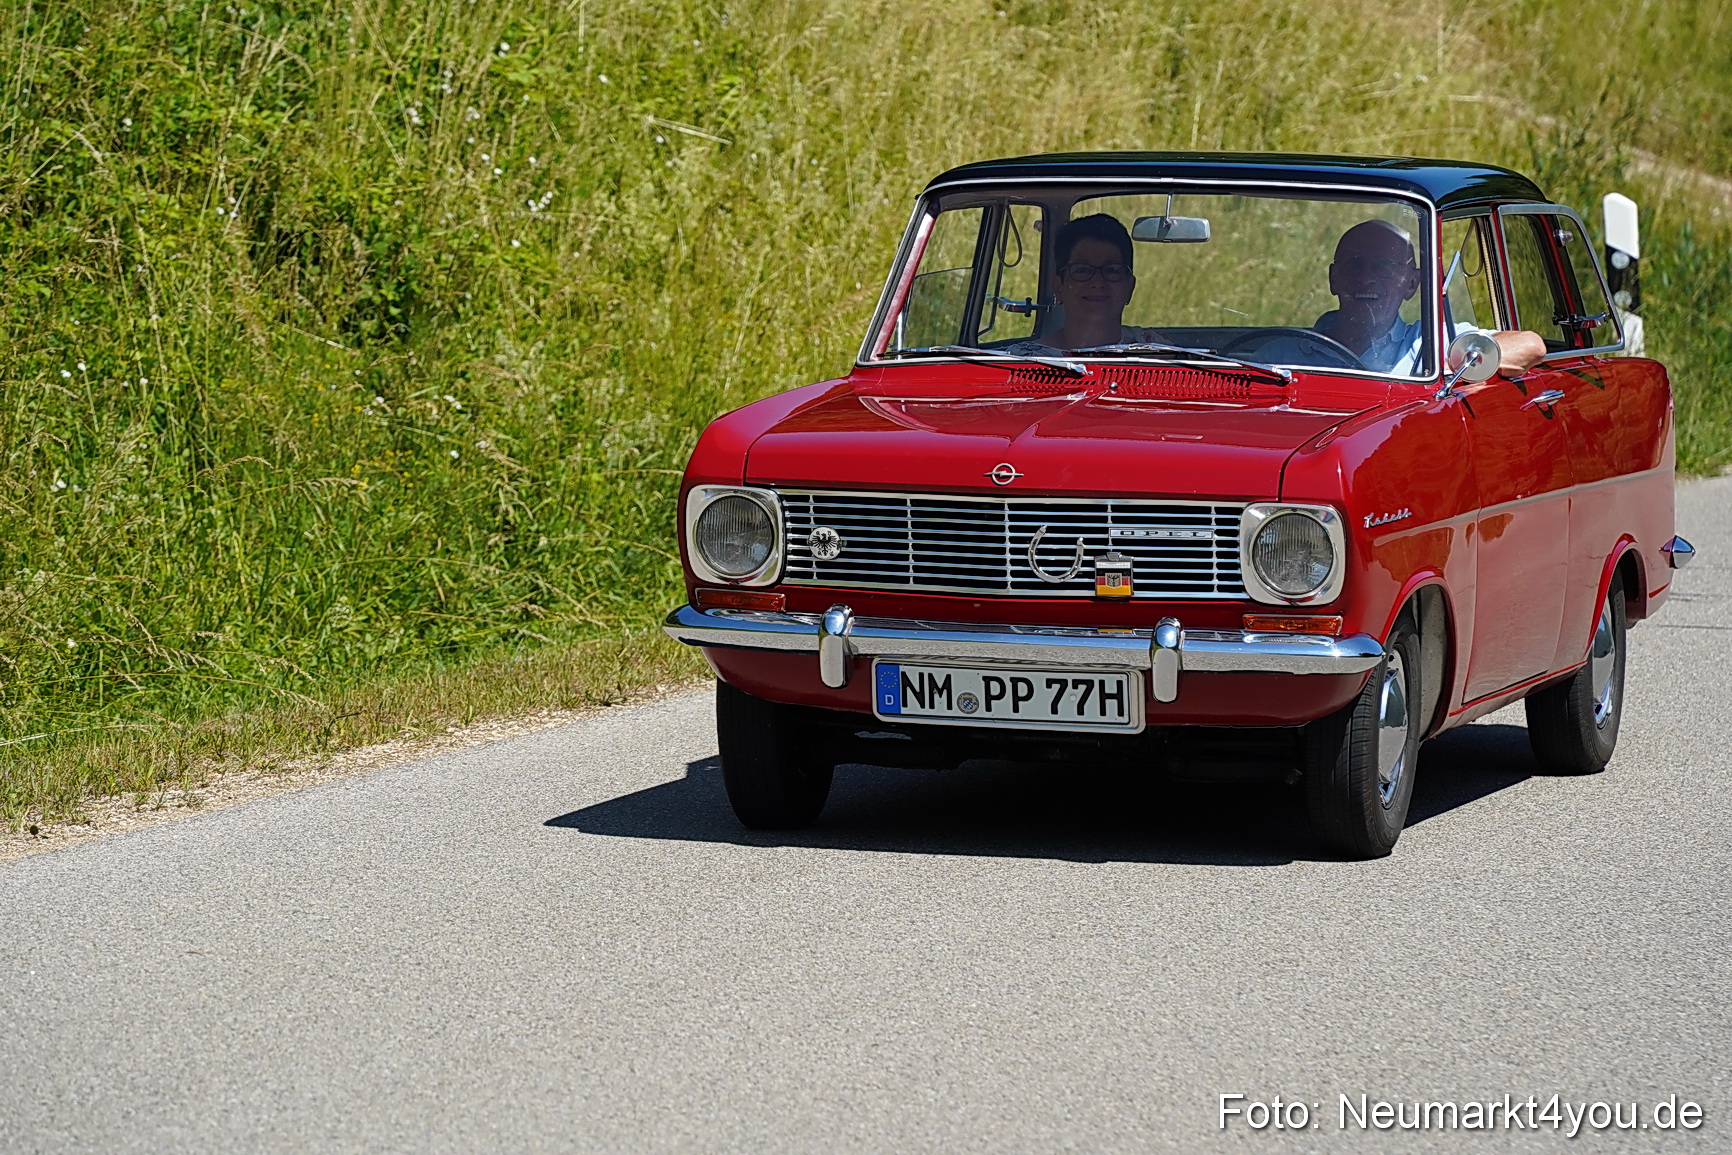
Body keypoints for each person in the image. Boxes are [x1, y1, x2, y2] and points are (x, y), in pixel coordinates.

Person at [1315, 219, 1545, 377]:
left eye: (1384, 267)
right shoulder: (1296, 348)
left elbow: (1530, 345)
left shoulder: (1427, 344)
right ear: (1334, 278)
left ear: (1411, 284)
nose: (1366, 279)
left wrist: (1451, 368)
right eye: (1354, 264)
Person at [1003, 214, 1169, 355]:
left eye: (1111, 270)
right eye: (1082, 270)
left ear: (1129, 288)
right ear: (1058, 286)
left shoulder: (1157, 352)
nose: (1097, 282)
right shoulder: (1024, 360)